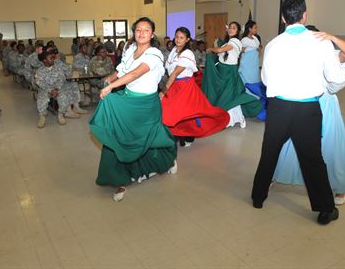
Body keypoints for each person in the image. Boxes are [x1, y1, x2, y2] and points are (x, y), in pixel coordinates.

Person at [251, 0, 345, 225]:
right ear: (305, 16)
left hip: (279, 108)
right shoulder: (321, 43)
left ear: (283, 18)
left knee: (269, 153)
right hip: (307, 108)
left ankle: (258, 197)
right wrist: (326, 89)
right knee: (312, 159)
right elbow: (336, 79)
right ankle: (325, 209)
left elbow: (265, 78)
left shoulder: (273, 44)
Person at [89, 17, 177, 202]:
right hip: (128, 100)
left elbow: (137, 73)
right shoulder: (129, 51)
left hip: (146, 105)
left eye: (146, 30)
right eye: (138, 29)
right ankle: (119, 179)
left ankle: (167, 159)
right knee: (117, 137)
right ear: (134, 32)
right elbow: (121, 71)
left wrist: (112, 87)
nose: (141, 33)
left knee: (150, 138)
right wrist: (110, 79)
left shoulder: (155, 54)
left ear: (152, 34)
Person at [273, 29, 345, 206]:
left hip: (326, 104)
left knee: (330, 144)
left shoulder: (329, 53)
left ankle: (339, 186)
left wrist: (332, 37)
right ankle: (279, 173)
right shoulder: (300, 56)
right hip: (303, 103)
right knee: (291, 142)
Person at [160, 27, 230, 147]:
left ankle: (186, 136)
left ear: (187, 40)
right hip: (174, 85)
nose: (178, 39)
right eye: (176, 37)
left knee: (182, 112)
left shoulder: (187, 53)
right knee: (175, 112)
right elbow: (169, 71)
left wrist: (163, 91)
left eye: (181, 37)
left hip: (184, 87)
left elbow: (176, 73)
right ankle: (179, 135)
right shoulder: (173, 51)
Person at [203, 21, 262, 128]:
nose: (230, 29)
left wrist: (211, 48)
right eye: (229, 27)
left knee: (229, 96)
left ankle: (237, 118)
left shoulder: (236, 41)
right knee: (229, 97)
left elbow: (220, 50)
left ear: (238, 31)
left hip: (230, 72)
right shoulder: (228, 42)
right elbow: (221, 53)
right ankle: (231, 119)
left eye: (234, 28)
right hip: (223, 71)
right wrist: (216, 45)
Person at [35, 49, 71, 128]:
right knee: (42, 99)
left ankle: (60, 115)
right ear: (45, 60)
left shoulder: (57, 68)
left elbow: (62, 79)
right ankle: (42, 117)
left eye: (53, 58)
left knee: (64, 96)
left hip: (57, 88)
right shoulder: (40, 71)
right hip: (45, 89)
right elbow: (39, 83)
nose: (53, 60)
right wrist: (50, 90)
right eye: (50, 58)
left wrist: (57, 89)